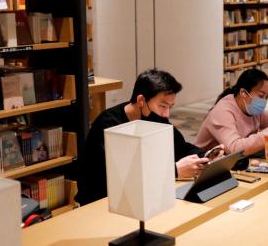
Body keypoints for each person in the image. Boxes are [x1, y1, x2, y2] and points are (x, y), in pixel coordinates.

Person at [76, 69, 220, 206]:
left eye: (170, 106)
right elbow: (123, 178)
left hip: (139, 196)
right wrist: (174, 171)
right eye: (163, 106)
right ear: (141, 100)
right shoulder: (109, 126)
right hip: (102, 200)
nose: (167, 114)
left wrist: (206, 155)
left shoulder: (154, 117)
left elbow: (179, 147)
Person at [194, 69, 268, 156]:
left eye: (267, 97)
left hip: (233, 161)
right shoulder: (223, 111)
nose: (264, 101)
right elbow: (234, 149)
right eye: (261, 96)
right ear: (243, 93)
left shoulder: (255, 109)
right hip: (205, 163)